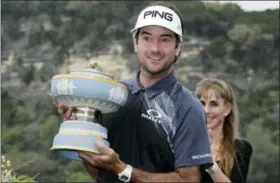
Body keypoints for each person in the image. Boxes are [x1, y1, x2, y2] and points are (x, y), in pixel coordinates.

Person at [52, 1, 213, 182]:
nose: (155, 48)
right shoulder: (111, 95)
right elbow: (98, 173)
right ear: (135, 43)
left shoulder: (188, 108)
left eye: (165, 39)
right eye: (146, 38)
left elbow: (189, 180)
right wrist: (79, 127)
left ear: (178, 48)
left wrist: (123, 170)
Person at [195, 78, 253, 182]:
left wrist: (210, 163)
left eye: (214, 104)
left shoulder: (240, 148)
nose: (206, 110)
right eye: (202, 103)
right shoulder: (183, 145)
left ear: (227, 109)